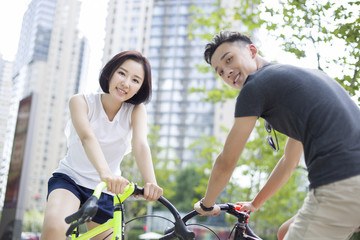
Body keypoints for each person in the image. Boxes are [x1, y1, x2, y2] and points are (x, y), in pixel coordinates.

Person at [193, 31, 360, 240]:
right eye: (220, 71)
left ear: (252, 51)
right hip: (351, 182)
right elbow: (289, 161)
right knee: (284, 233)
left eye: (229, 59)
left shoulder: (255, 86)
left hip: (342, 182)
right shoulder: (291, 80)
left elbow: (227, 161)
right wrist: (255, 203)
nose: (227, 72)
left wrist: (206, 204)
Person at [40, 51, 163, 240]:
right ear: (110, 73)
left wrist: (150, 182)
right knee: (55, 229)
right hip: (70, 180)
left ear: (140, 88)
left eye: (135, 80)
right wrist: (106, 173)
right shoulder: (80, 101)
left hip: (105, 190)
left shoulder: (136, 111)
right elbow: (87, 137)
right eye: (122, 73)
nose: (126, 83)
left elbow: (140, 145)